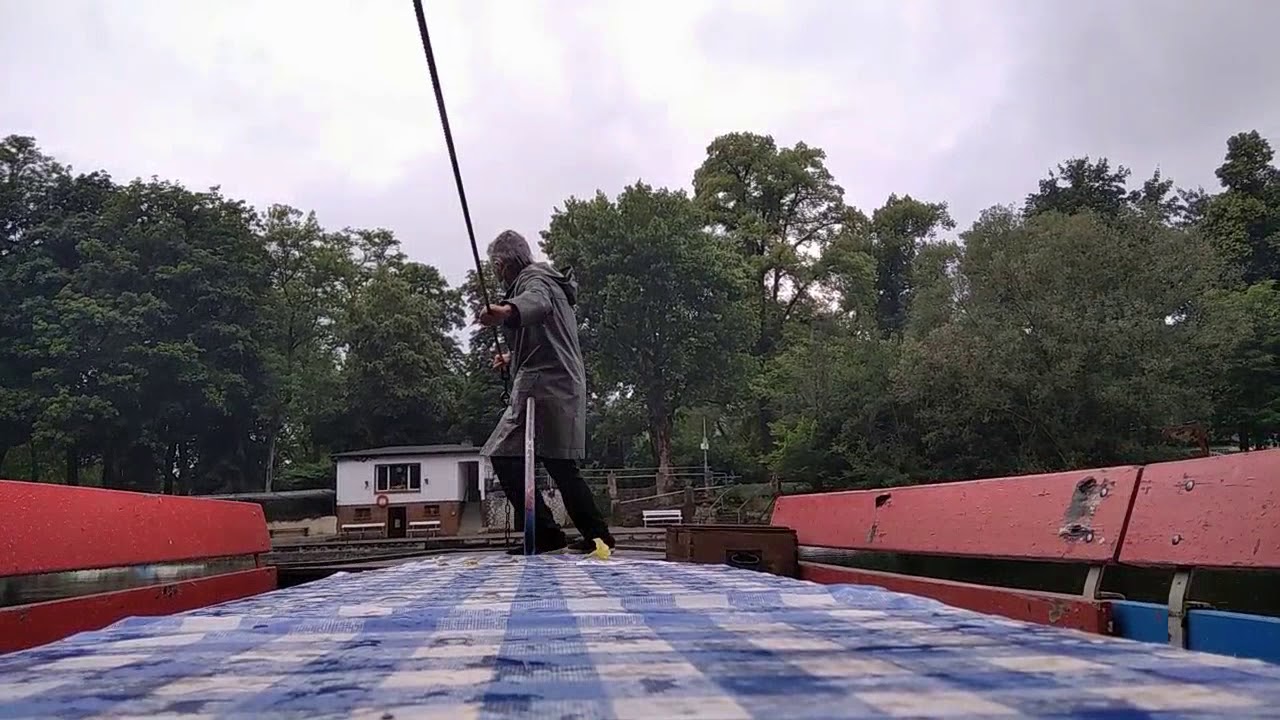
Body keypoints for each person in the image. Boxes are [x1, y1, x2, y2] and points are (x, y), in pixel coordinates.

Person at [477, 229, 615, 554]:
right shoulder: (551, 280)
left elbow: (535, 303)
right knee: (560, 464)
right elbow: (548, 335)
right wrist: (513, 357)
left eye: (496, 268)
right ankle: (597, 536)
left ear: (501, 264)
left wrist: (505, 311)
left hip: (544, 384)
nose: (497, 275)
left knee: (503, 453)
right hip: (560, 381)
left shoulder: (533, 279)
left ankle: (544, 532)